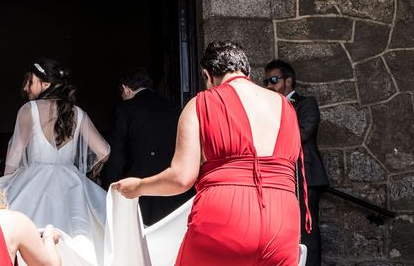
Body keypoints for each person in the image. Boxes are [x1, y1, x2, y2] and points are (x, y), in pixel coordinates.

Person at [114, 41, 311, 265]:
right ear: (246, 70)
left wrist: (138, 186)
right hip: (283, 219)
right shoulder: (284, 106)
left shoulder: (202, 103)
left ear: (207, 75)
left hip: (226, 217)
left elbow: (181, 178)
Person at [0, 59, 110, 264]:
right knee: (78, 236)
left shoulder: (28, 109)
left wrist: (7, 183)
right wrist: (89, 171)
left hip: (32, 180)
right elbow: (104, 150)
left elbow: (15, 154)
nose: (25, 87)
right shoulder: (78, 113)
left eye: (29, 82)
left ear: (45, 84)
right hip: (71, 182)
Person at [100, 67, 194, 225]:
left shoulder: (125, 109)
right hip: (176, 188)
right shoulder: (174, 107)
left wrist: (108, 188)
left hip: (141, 188)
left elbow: (117, 154)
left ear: (125, 89)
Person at [265, 59, 329, 266]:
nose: (269, 86)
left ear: (289, 81)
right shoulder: (268, 107)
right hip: (280, 178)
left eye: (273, 80)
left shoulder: (306, 103)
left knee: (306, 230)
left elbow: (302, 133)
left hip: (305, 176)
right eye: (266, 81)